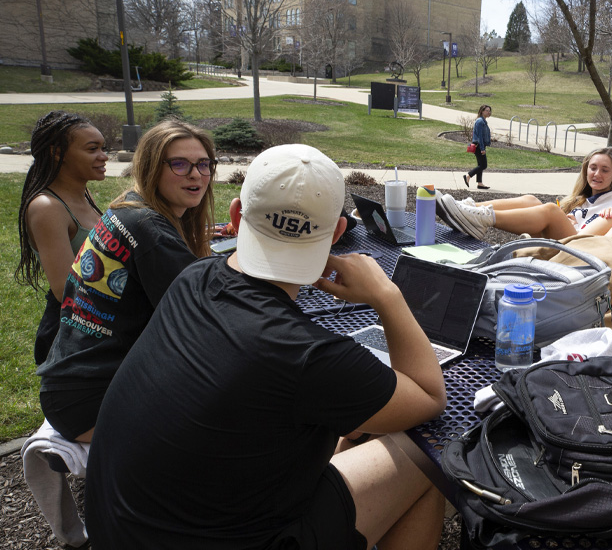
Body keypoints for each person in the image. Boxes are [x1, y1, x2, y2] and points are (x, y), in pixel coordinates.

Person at [84, 144, 447, 550]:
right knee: (428, 459)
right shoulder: (307, 355)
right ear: (338, 235)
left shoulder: (194, 278)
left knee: (356, 433)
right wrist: (386, 295)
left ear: (237, 216)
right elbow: (429, 395)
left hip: (117, 529)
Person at [36, 119, 216, 443]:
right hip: (93, 402)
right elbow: (208, 323)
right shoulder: (151, 230)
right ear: (150, 166)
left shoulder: (130, 206)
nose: (196, 174)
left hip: (69, 386)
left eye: (204, 164)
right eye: (180, 164)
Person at [16, 112, 108, 365]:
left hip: (98, 324)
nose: (104, 156)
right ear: (58, 152)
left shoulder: (83, 194)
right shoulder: (48, 207)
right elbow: (65, 291)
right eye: (93, 149)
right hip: (70, 336)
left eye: (103, 147)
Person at [438, 146, 612, 240]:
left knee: (550, 210)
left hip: (577, 254)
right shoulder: (583, 199)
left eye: (605, 170)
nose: (597, 174)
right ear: (586, 170)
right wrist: (568, 220)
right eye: (593, 168)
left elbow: (590, 241)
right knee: (532, 200)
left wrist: (566, 221)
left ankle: (481, 219)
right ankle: (465, 209)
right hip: (562, 240)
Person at [464, 104, 491, 189]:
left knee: (480, 164)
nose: (488, 112)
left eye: (489, 111)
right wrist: (482, 148)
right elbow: (479, 136)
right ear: (482, 111)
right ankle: (468, 176)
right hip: (479, 146)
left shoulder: (483, 121)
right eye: (487, 110)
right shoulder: (480, 121)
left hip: (480, 145)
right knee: (483, 165)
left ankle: (480, 183)